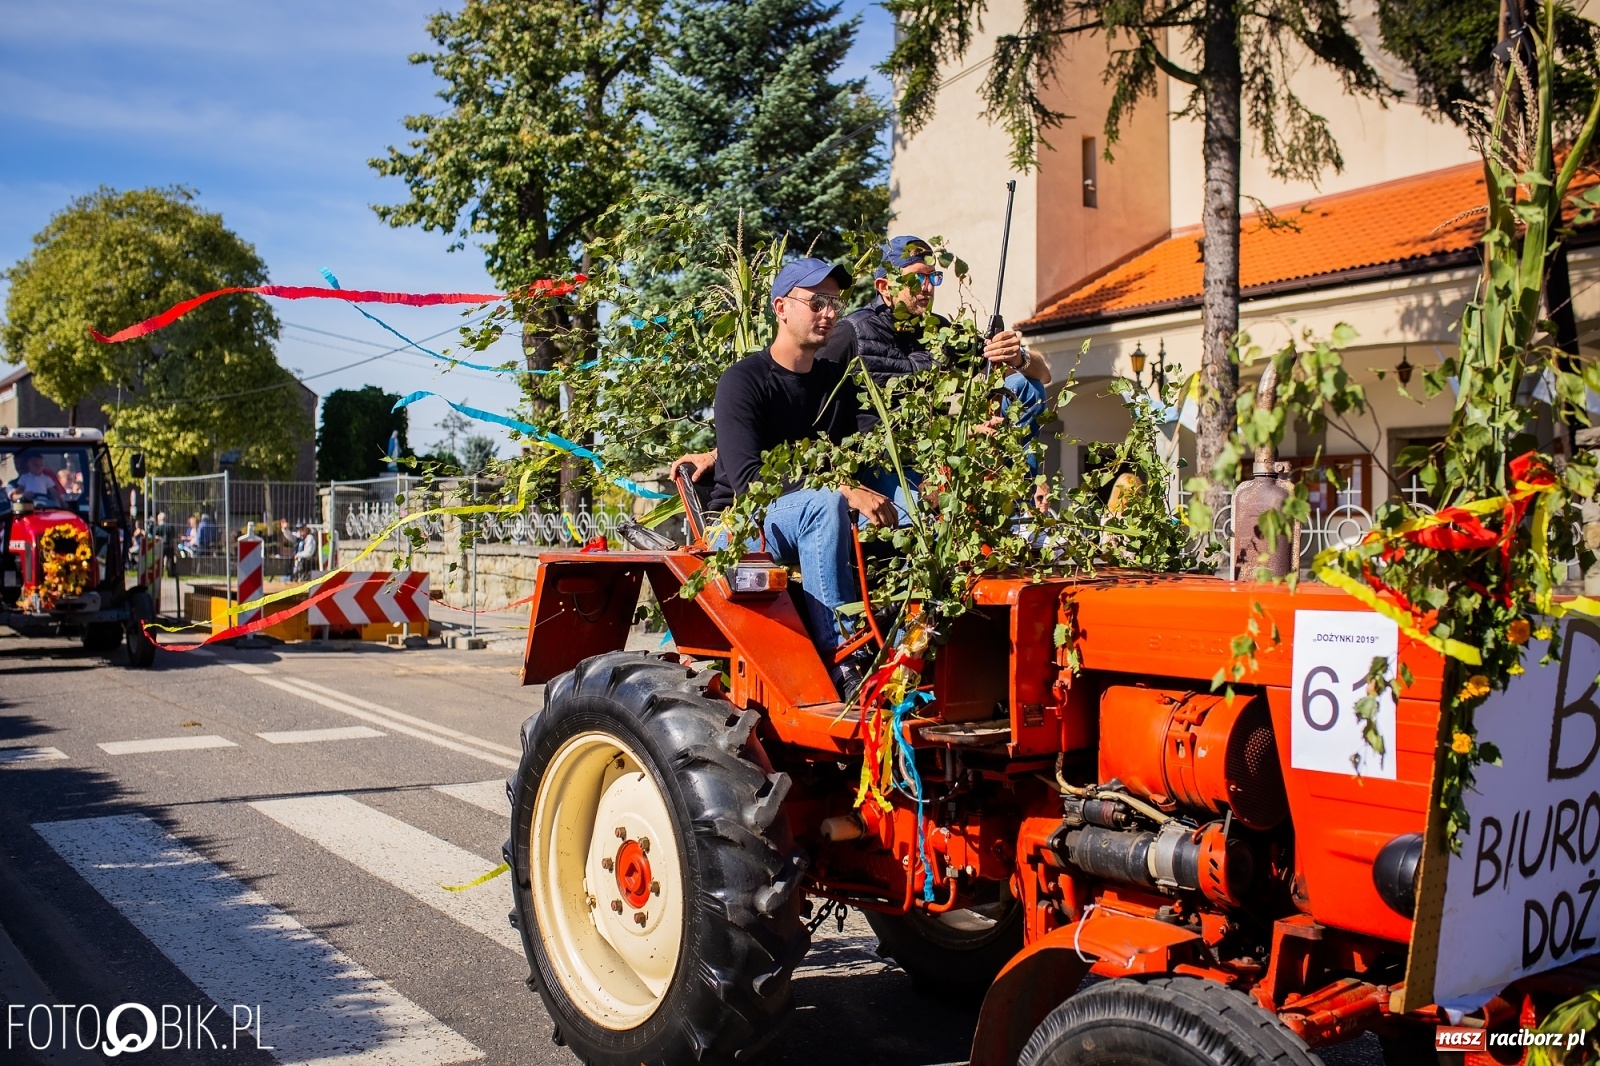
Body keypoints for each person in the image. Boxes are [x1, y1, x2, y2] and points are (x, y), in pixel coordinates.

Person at [707, 257, 896, 698]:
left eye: (835, 303)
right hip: (740, 524)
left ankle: (908, 640)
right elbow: (749, 482)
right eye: (816, 303)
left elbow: (867, 446)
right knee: (825, 504)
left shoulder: (836, 382)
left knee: (910, 505)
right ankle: (844, 658)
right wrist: (841, 489)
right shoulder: (742, 381)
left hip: (814, 515)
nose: (829, 313)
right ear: (781, 308)